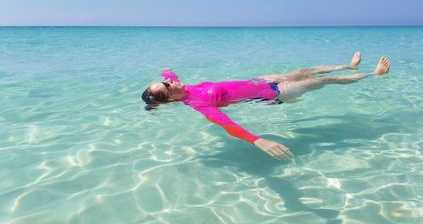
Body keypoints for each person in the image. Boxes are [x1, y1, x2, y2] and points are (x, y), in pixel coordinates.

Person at [142, 52, 390, 160]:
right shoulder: (195, 102)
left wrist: (164, 67)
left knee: (303, 71)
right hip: (274, 94)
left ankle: (349, 66)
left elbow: (169, 73)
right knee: (322, 80)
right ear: (170, 98)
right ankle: (373, 75)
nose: (169, 81)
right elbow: (225, 124)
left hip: (261, 80)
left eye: (165, 81)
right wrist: (257, 140)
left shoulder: (179, 87)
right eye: (166, 86)